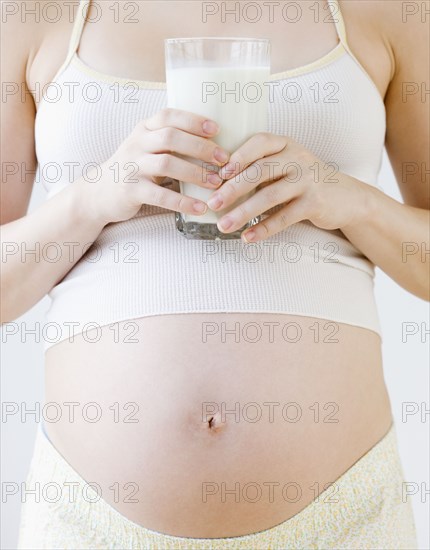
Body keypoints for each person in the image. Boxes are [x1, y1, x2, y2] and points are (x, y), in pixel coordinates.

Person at [2, 0, 428, 548]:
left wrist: (352, 201)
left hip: (343, 519)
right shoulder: (32, 13)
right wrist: (91, 200)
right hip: (92, 523)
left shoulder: (391, 11)